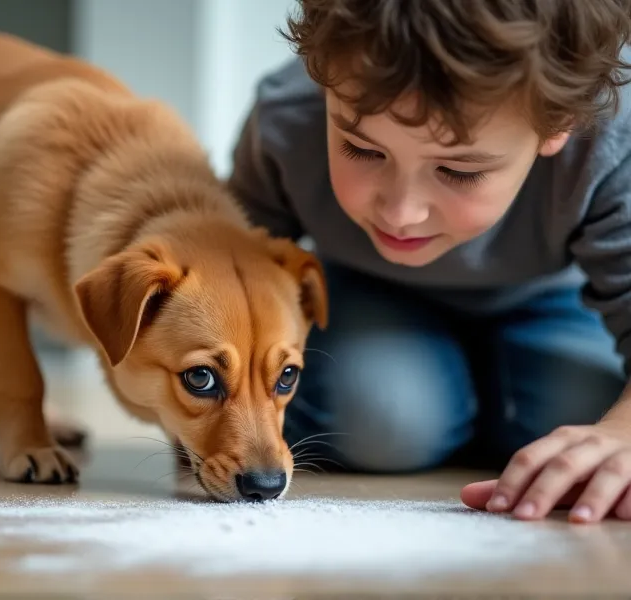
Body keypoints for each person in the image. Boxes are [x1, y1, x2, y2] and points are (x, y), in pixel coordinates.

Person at [227, 0, 631, 523]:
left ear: (560, 122)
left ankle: (482, 407)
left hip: (553, 298)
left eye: (458, 170)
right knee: (384, 419)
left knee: (581, 415)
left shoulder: (610, 140)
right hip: (369, 294)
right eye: (363, 151)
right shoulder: (287, 116)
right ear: (323, 84)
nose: (401, 213)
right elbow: (229, 278)